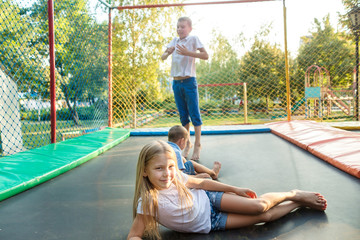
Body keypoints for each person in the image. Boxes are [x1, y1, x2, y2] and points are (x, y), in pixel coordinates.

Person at [127, 140, 327, 240]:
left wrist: (235, 189)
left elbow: (203, 184)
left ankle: (293, 193)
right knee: (265, 218)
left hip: (210, 199)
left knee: (259, 206)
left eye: (170, 167)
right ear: (145, 171)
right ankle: (299, 202)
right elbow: (134, 235)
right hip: (210, 222)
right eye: (159, 169)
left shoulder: (177, 176)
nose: (167, 174)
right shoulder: (147, 202)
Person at [161, 16, 209, 161]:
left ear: (189, 28)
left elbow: (205, 55)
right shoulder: (174, 41)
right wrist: (168, 52)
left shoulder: (193, 39)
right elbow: (162, 57)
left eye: (182, 27)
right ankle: (187, 143)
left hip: (189, 81)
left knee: (194, 114)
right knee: (183, 116)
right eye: (178, 27)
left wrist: (188, 53)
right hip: (176, 83)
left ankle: (198, 145)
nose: (179, 29)